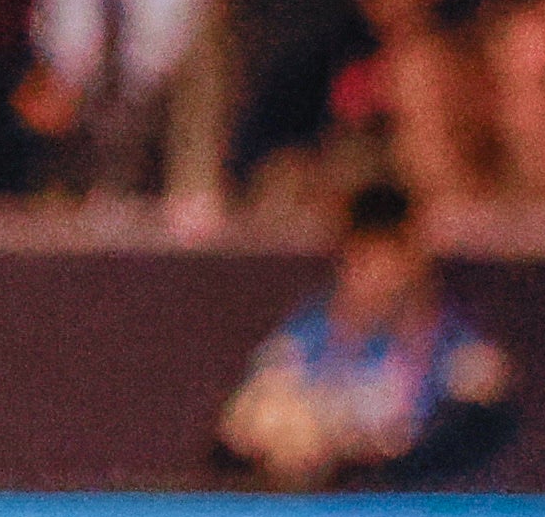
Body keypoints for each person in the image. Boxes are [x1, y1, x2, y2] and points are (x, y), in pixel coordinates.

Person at [215, 179, 516, 488]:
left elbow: (470, 441)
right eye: (365, 258)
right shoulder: (302, 341)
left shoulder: (460, 354)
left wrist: (365, 450)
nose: (380, 275)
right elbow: (239, 428)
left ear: (418, 259)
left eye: (393, 256)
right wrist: (282, 438)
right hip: (319, 516)